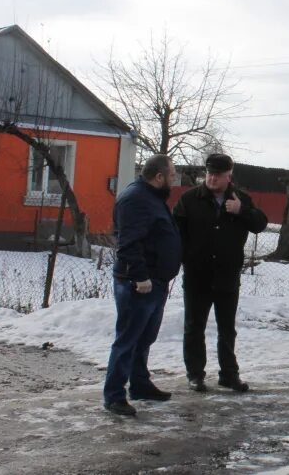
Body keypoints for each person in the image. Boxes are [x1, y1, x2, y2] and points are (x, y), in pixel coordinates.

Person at [173, 153, 267, 393]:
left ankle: (229, 374)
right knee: (194, 327)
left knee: (227, 328)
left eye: (218, 175)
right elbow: (176, 233)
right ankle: (195, 375)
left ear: (229, 176)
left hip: (227, 276)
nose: (212, 178)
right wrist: (185, 259)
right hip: (197, 276)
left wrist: (241, 211)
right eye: (209, 173)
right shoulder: (190, 199)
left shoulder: (240, 199)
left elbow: (260, 223)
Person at [103, 154, 182, 416]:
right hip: (138, 284)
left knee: (144, 337)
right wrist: (140, 277)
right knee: (128, 339)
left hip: (155, 282)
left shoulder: (151, 198)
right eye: (171, 175)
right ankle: (114, 395)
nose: (173, 180)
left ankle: (139, 384)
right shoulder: (136, 199)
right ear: (158, 177)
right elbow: (128, 242)